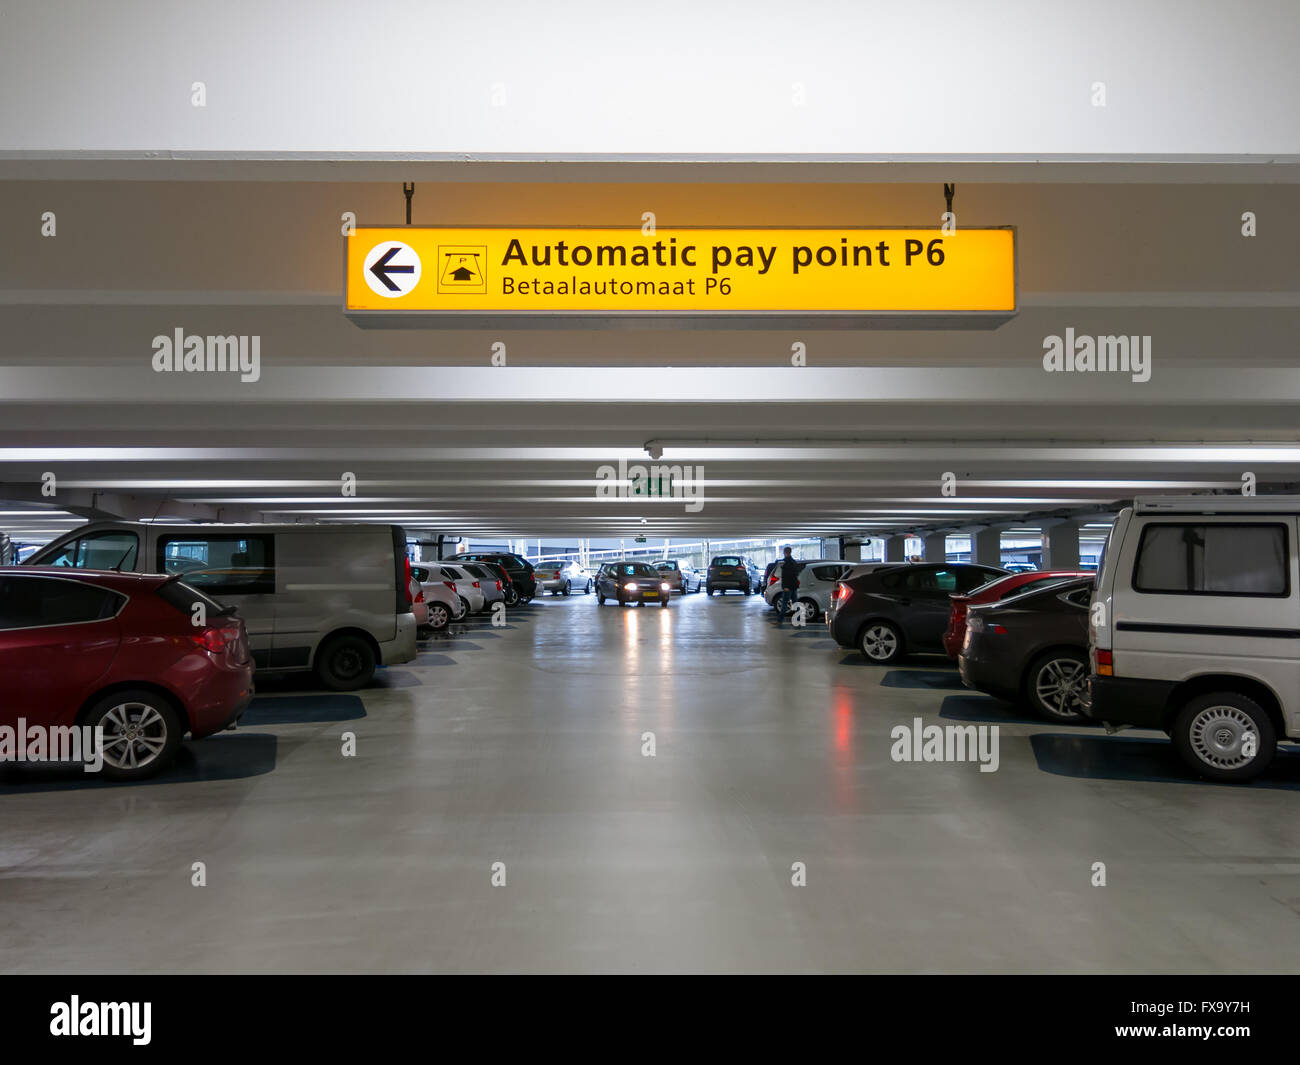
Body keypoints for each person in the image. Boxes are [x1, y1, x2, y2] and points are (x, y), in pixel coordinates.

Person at [774, 546, 800, 627]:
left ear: (785, 552)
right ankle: (798, 620)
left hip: (788, 587)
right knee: (795, 604)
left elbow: (786, 576)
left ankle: (779, 621)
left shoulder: (785, 562)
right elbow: (796, 574)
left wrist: (785, 586)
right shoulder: (794, 562)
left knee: (784, 604)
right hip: (794, 586)